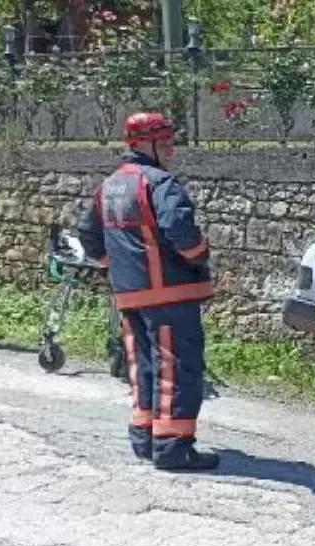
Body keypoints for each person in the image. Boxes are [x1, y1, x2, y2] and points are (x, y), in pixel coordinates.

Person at [77, 111, 218, 471]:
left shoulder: (108, 186)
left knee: (142, 367)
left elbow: (89, 235)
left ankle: (145, 439)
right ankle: (172, 448)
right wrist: (200, 255)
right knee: (176, 369)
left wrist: (121, 266)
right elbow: (182, 234)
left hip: (130, 295)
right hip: (169, 295)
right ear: (142, 143)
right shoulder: (159, 182)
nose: (172, 149)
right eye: (165, 142)